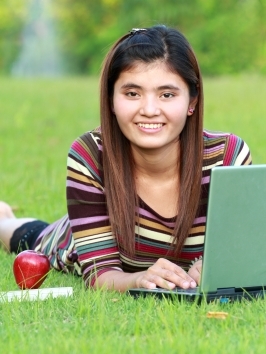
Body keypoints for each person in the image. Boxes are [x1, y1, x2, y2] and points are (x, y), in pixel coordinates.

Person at [0, 25, 251, 292]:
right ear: (110, 99)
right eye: (132, 94)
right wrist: (139, 279)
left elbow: (242, 253)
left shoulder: (228, 157)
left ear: (192, 101)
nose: (150, 110)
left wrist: (216, 267)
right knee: (30, 235)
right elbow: (100, 274)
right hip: (75, 240)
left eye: (167, 94)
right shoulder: (91, 154)